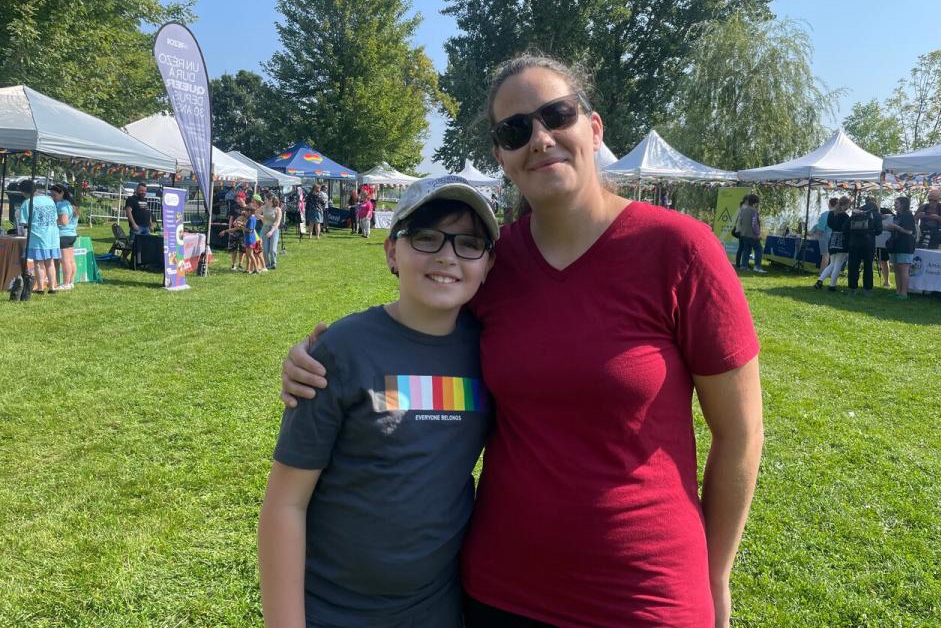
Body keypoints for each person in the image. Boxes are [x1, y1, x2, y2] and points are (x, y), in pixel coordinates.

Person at [280, 54, 764, 627]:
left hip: (646, 594)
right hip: (500, 592)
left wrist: (717, 575)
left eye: (556, 115)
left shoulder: (680, 249)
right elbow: (414, 337)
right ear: (502, 157)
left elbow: (740, 433)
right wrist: (321, 357)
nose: (539, 138)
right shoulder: (491, 261)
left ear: (594, 127)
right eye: (515, 130)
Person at [258, 176, 498, 628]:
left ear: (487, 264)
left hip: (437, 609)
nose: (447, 255)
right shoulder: (342, 350)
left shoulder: (493, 352)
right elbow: (285, 504)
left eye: (468, 243)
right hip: (331, 611)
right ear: (391, 251)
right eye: (425, 238)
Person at [17, 180, 61, 294]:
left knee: (38, 262)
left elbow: (23, 222)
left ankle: (40, 288)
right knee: (50, 262)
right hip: (52, 236)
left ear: (23, 192)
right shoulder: (49, 199)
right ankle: (52, 287)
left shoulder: (27, 203)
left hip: (38, 236)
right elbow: (55, 217)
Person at [844, 196, 882, 295]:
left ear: (865, 202)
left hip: (854, 243)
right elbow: (879, 231)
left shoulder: (856, 212)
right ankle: (867, 289)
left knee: (853, 266)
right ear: (874, 202)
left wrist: (850, 238)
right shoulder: (876, 214)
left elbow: (844, 227)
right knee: (868, 266)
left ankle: (853, 289)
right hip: (868, 243)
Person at [815, 196, 851, 292]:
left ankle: (820, 280)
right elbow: (847, 230)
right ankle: (832, 285)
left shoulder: (831, 214)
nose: (848, 207)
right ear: (845, 205)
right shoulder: (846, 216)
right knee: (838, 264)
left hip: (833, 239)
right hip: (842, 241)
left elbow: (830, 225)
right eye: (848, 205)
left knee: (833, 263)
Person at [887, 196, 916, 300]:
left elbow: (909, 231)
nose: (894, 205)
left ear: (903, 204)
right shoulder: (898, 216)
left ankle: (904, 293)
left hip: (905, 245)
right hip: (896, 245)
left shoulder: (908, 215)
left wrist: (895, 227)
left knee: (904, 269)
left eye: (897, 203)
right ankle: (898, 291)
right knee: (897, 269)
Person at [51, 185, 79, 290]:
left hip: (63, 235)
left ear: (62, 193)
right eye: (51, 194)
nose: (53, 197)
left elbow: (63, 221)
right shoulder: (71, 204)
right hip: (71, 234)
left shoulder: (63, 205)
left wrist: (52, 221)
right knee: (71, 260)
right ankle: (71, 282)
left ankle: (66, 283)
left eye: (55, 194)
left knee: (65, 261)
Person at [734, 194, 765, 273]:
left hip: (743, 234)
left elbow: (740, 222)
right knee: (759, 249)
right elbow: (754, 224)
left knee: (746, 250)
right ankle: (757, 267)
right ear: (755, 202)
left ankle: (744, 266)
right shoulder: (753, 211)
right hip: (752, 235)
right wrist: (758, 234)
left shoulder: (743, 210)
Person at [812, 197, 838, 271]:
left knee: (825, 255)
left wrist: (814, 234)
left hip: (825, 236)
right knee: (833, 256)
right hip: (836, 236)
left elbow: (821, 229)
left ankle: (822, 272)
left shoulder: (825, 214)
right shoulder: (839, 214)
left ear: (829, 204)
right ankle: (830, 272)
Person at [260, 195, 283, 270]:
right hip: (265, 228)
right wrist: (262, 218)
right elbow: (256, 212)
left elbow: (277, 222)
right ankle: (267, 264)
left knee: (272, 249)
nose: (264, 200)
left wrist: (271, 231)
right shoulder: (263, 207)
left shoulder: (277, 209)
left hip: (274, 229)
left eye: (266, 199)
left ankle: (273, 263)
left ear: (271, 200)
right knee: (265, 249)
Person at [243, 205, 266, 274]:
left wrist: (241, 227)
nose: (245, 213)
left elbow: (250, 230)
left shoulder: (250, 219)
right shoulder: (253, 218)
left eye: (246, 211)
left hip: (250, 239)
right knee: (250, 254)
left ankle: (256, 270)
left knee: (251, 255)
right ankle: (253, 269)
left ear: (249, 211)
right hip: (251, 238)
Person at [876, 207, 894, 288]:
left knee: (884, 261)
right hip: (878, 241)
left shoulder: (892, 218)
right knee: (883, 261)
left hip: (886, 242)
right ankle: (886, 281)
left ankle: (886, 281)